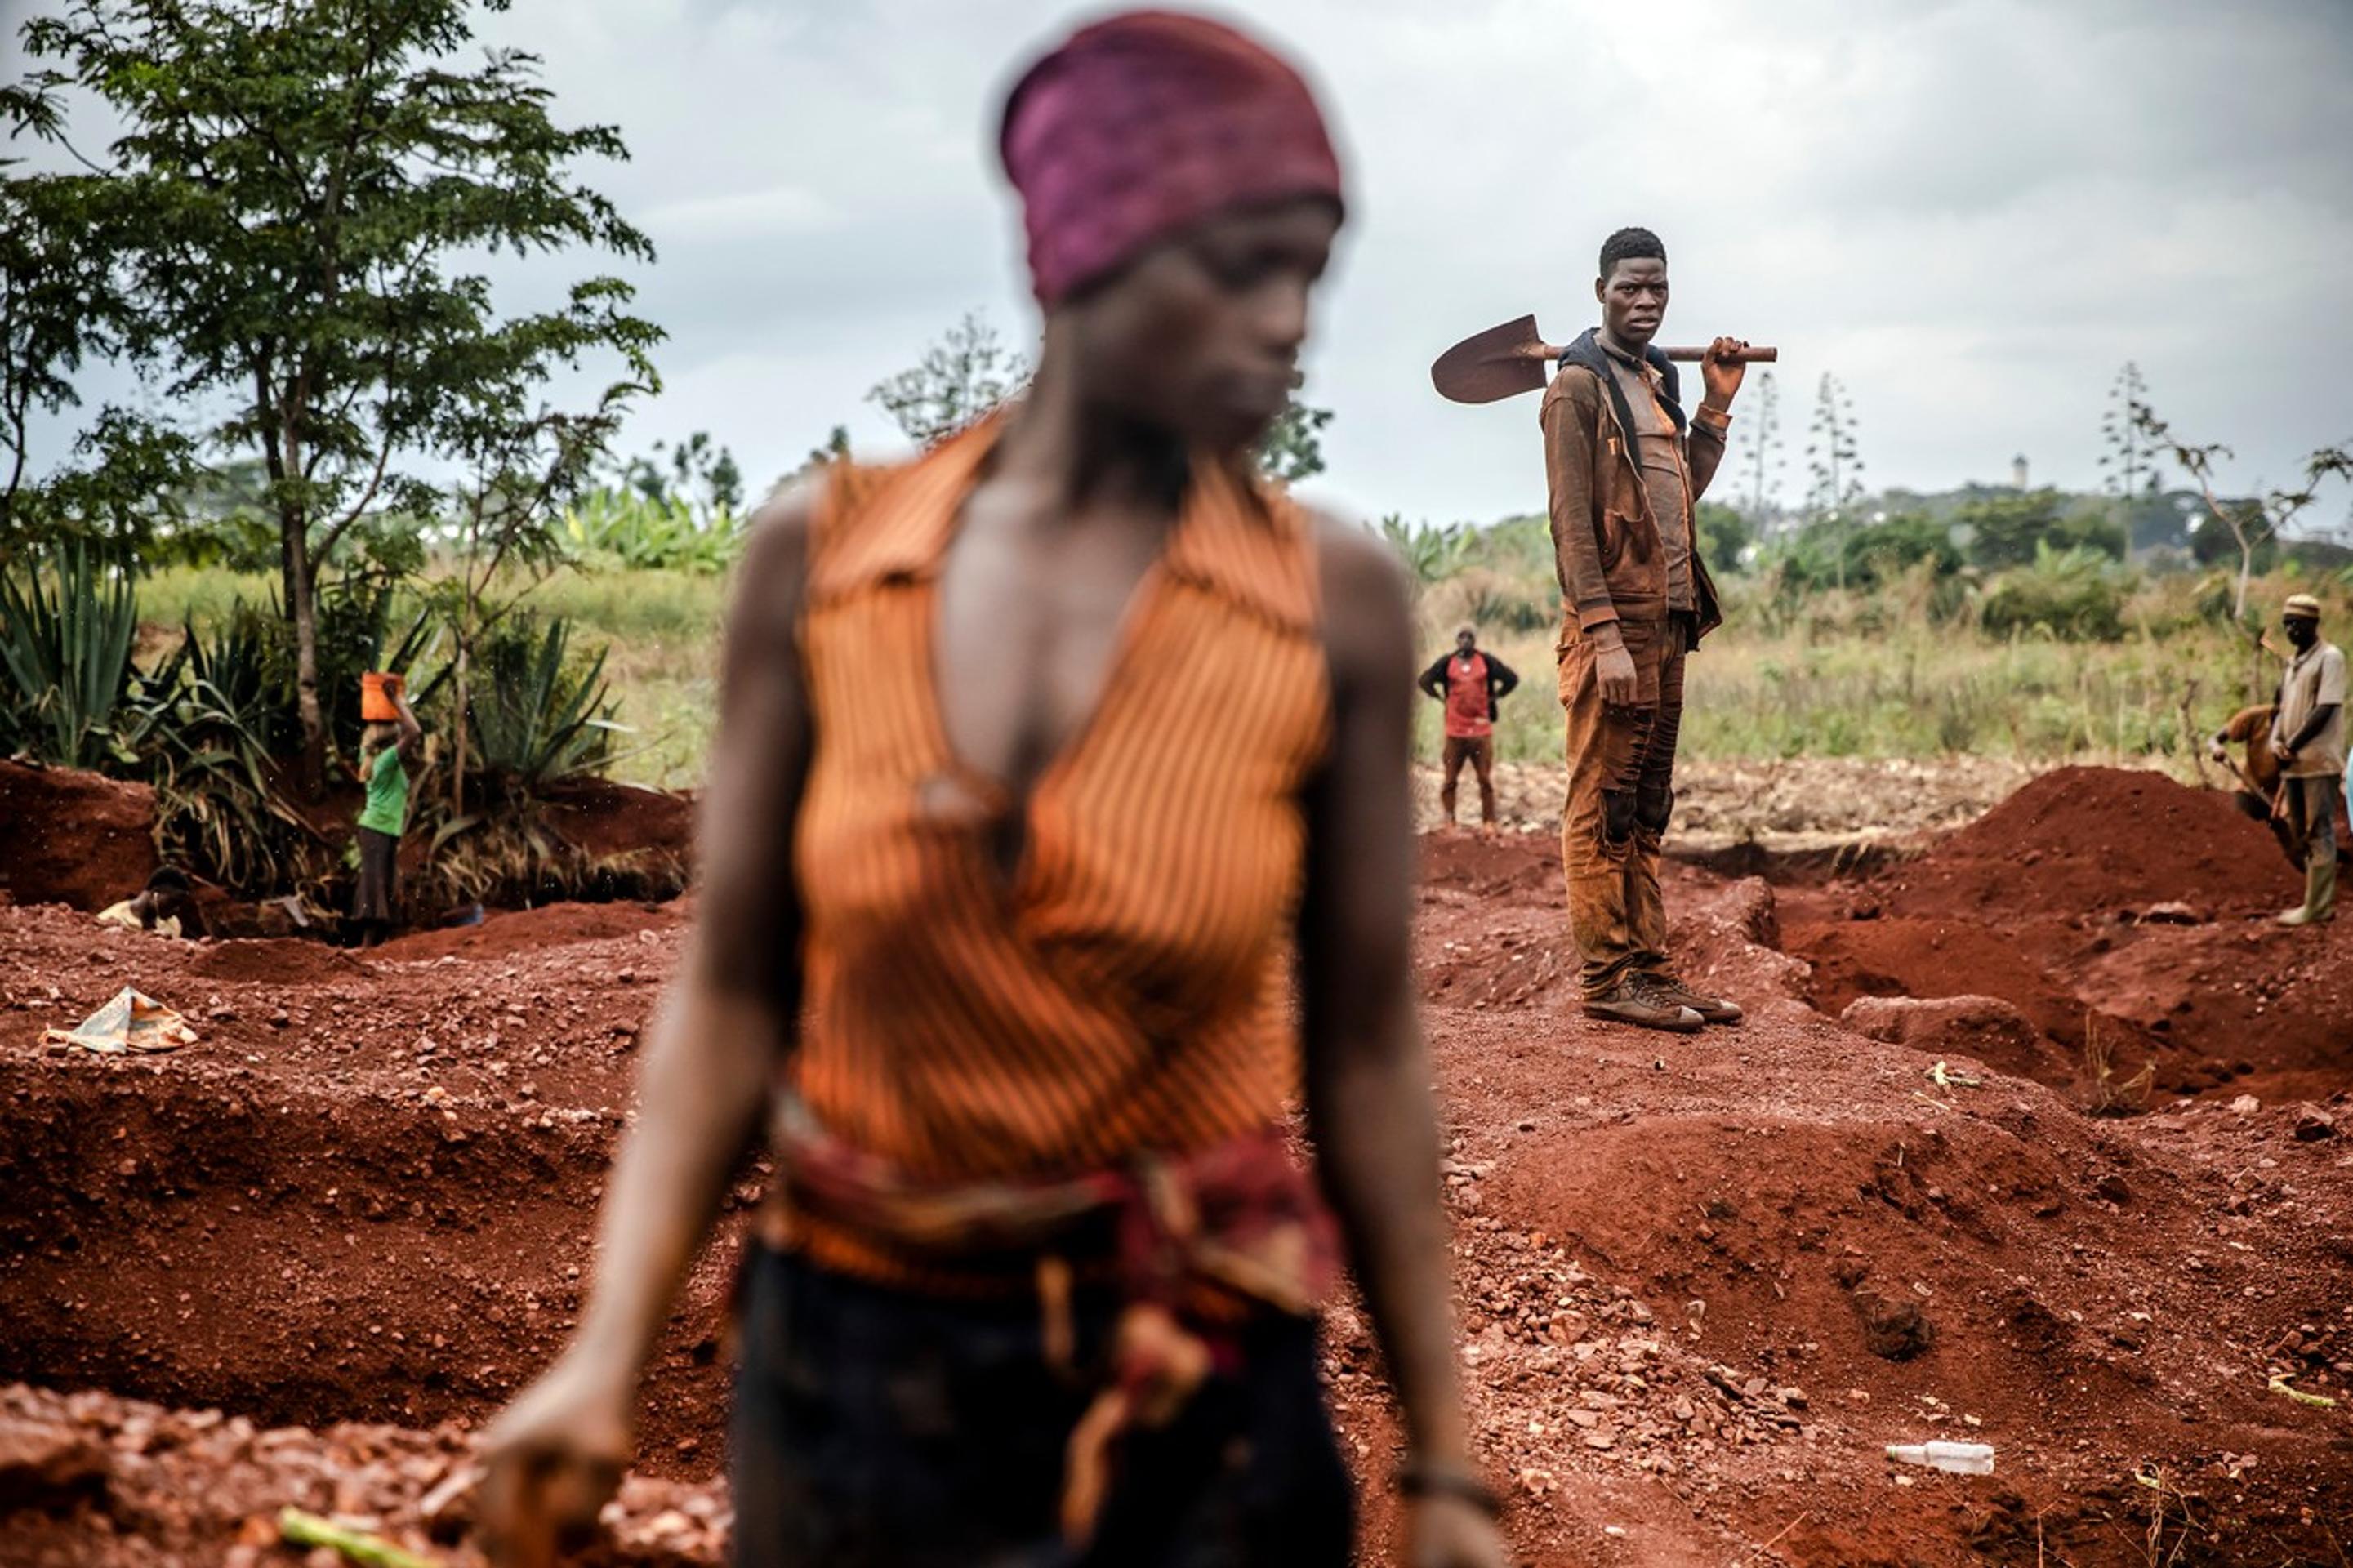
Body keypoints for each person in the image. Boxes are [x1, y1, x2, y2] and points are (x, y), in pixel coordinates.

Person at [478, 16, 1504, 1568]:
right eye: (1240, 269)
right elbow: (734, 985)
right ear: (1085, 254)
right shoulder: (823, 562)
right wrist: (603, 1356)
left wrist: (1446, 1464)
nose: (1288, 323)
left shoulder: (1328, 599)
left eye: (1310, 274)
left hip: (1195, 1398)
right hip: (850, 1384)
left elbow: (1364, 1044)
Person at [1540, 225, 1749, 1033]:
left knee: (1646, 803)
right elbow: (1571, 526)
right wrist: (1602, 638)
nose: (1645, 300)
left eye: (1657, 287)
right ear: (1600, 292)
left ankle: (1650, 970)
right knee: (1603, 803)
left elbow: (1680, 493)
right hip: (1615, 630)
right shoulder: (1576, 389)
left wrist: (1715, 404)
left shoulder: (1655, 379)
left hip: (1668, 623)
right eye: (1629, 287)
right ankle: (1606, 978)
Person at [2268, 593, 2343, 926]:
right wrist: (2276, 741)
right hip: (2293, 763)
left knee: (2319, 830)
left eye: (2297, 624)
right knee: (2300, 831)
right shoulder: (2292, 664)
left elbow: (2326, 708)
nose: (2291, 630)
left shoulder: (2330, 658)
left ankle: (2318, 907)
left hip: (2317, 760)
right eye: (2287, 624)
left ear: (2314, 624)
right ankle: (2312, 901)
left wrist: (2292, 744)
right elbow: (2282, 710)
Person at [1418, 626, 1517, 834]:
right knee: (1450, 780)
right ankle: (1450, 820)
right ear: (1457, 641)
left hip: (1481, 730)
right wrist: (1441, 698)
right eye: (1461, 637)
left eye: (1469, 637)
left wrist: (1495, 697)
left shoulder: (1486, 661)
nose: (1465, 641)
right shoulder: (1447, 663)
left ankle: (1489, 822)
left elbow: (1511, 678)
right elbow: (1425, 680)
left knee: (1485, 780)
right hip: (1455, 731)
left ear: (1474, 640)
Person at [351, 684, 422, 948]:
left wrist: (395, 705)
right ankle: (367, 944)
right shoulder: (386, 761)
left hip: (382, 829)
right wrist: (395, 699)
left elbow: (406, 731)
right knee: (375, 883)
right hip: (376, 829)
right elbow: (414, 731)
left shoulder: (371, 757)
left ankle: (376, 941)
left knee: (383, 881)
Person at [2208, 702, 2302, 869]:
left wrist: (2283, 803)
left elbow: (2295, 773)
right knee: (2239, 837)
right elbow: (2214, 739)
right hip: (2249, 790)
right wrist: (2217, 749)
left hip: (2277, 799)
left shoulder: (2301, 730)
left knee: (2295, 854)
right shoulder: (2256, 717)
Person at [95, 866, 207, 940]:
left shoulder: (173, 925)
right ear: (156, 894)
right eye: (173, 902)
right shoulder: (111, 919)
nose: (176, 909)